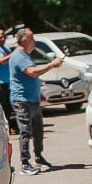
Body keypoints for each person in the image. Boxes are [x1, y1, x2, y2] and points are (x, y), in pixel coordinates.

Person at [8, 28, 64, 175]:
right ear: (24, 40)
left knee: (38, 131)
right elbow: (32, 72)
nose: (35, 41)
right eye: (32, 38)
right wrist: (51, 65)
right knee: (26, 131)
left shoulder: (25, 55)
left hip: (32, 99)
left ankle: (38, 157)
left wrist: (38, 93)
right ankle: (25, 163)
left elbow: (30, 76)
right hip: (22, 100)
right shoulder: (19, 55)